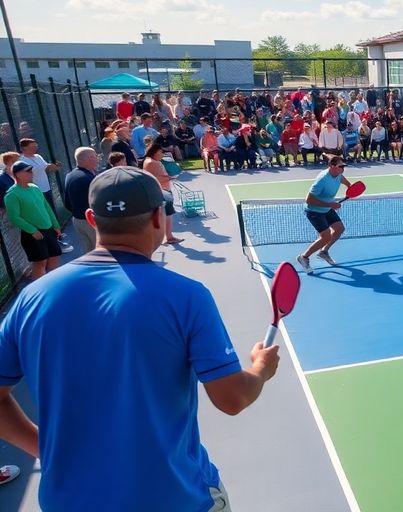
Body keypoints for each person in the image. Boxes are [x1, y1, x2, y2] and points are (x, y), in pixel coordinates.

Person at [0, 166, 280, 511]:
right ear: (158, 217)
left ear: (90, 218)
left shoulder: (32, 297)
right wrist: (261, 369)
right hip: (174, 499)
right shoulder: (186, 296)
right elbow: (232, 398)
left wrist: (46, 447)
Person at [4, 162, 63, 279]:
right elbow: (14, 217)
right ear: (18, 174)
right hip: (33, 234)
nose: (32, 173)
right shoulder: (12, 195)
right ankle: (40, 290)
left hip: (48, 229)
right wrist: (32, 231)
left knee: (55, 255)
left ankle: (52, 283)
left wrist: (55, 225)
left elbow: (46, 207)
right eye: (28, 171)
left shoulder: (35, 188)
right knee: (40, 263)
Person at [296, 156, 351, 273]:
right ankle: (304, 257)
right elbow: (308, 199)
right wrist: (330, 205)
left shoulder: (339, 175)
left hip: (326, 208)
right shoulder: (322, 179)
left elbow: (347, 183)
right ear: (331, 166)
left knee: (339, 229)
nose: (343, 169)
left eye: (343, 167)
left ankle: (323, 252)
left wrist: (352, 188)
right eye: (340, 166)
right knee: (326, 236)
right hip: (314, 211)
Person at [142, 144, 183, 245]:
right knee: (168, 214)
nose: (162, 154)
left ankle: (166, 236)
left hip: (161, 190)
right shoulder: (152, 163)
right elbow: (157, 178)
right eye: (161, 152)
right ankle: (169, 237)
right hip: (162, 191)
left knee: (162, 214)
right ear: (155, 152)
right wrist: (171, 177)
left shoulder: (152, 161)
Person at [63, 147, 100, 252]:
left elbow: (67, 203)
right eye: (95, 156)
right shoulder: (88, 178)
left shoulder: (70, 175)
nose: (97, 158)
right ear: (89, 158)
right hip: (91, 222)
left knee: (89, 252)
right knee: (102, 252)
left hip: (78, 220)